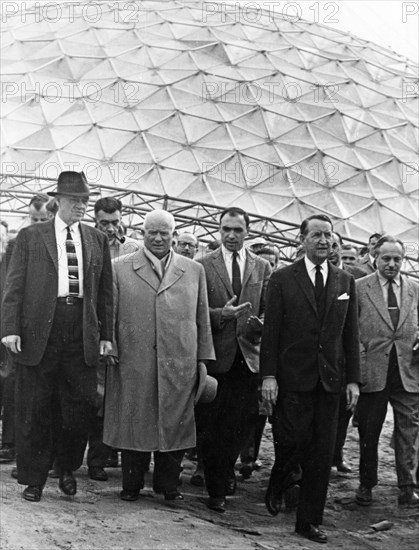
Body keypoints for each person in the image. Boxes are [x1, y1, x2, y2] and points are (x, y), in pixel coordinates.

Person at [1, 171, 113, 502]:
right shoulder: (31, 236)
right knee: (35, 405)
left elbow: (105, 291)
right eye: (75, 200)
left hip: (80, 329)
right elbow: (14, 286)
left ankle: (66, 469)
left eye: (85, 201)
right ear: (59, 201)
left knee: (79, 406)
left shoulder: (96, 239)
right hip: (40, 330)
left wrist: (105, 335)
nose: (81, 206)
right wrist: (9, 329)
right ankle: (34, 479)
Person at [260, 214, 361, 544]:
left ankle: (309, 521)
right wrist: (269, 377)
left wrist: (353, 380)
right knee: (293, 440)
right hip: (292, 378)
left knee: (322, 452)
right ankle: (280, 477)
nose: (323, 241)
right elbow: (271, 332)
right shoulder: (282, 279)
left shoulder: (345, 282)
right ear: (301, 239)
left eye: (328, 235)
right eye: (316, 235)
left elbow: (350, 336)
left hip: (330, 381)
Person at [103, 210, 215, 502]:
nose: (157, 237)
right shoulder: (119, 267)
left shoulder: (194, 270)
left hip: (180, 360)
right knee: (134, 422)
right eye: (151, 231)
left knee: (175, 423)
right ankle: (131, 485)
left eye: (164, 232)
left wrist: (203, 357)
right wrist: (111, 346)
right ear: (142, 234)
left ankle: (169, 486)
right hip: (134, 358)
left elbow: (202, 316)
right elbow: (110, 312)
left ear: (174, 236)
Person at [197, 207, 271, 513]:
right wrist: (220, 315)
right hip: (217, 357)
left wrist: (261, 324)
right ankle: (217, 488)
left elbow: (269, 308)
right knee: (212, 423)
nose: (230, 235)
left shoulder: (262, 266)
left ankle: (225, 469)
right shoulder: (202, 265)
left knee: (241, 424)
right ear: (218, 230)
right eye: (225, 229)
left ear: (247, 232)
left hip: (248, 357)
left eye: (237, 230)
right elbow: (197, 311)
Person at [355, 235, 419, 508]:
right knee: (370, 432)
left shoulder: (414, 288)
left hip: (406, 371)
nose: (392, 264)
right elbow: (350, 330)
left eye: (397, 259)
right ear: (375, 258)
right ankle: (366, 484)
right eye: (386, 258)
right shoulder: (359, 287)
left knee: (408, 431)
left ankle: (407, 486)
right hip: (373, 371)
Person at [328, 232, 368, 474]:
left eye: (335, 244)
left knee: (344, 411)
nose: (331, 249)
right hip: (318, 355)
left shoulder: (359, 277)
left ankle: (337, 456)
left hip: (345, 355)